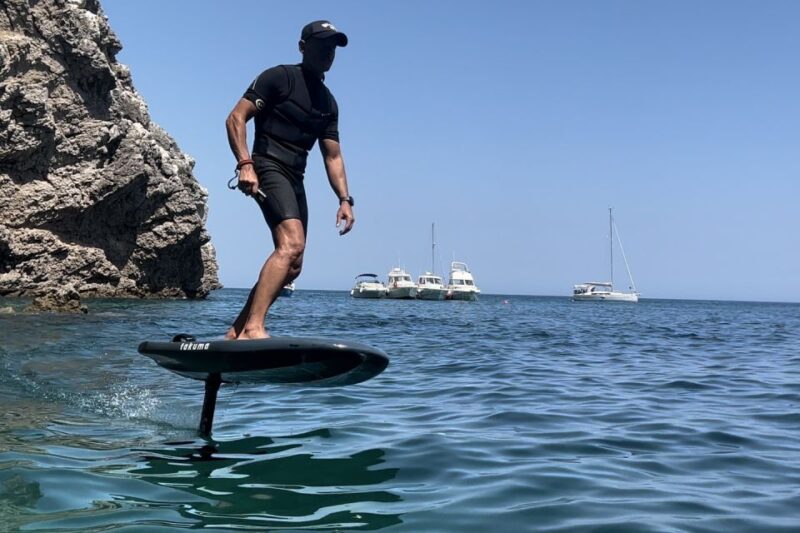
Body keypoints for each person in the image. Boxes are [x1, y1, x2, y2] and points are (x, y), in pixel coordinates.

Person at [224, 20, 355, 340]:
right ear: (303, 47)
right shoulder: (279, 77)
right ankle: (254, 327)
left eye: (333, 48)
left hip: (296, 177)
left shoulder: (328, 102)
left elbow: (333, 156)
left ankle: (236, 332)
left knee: (294, 264)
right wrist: (245, 164)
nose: (328, 53)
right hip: (267, 165)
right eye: (322, 45)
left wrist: (344, 199)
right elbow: (235, 118)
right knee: (291, 244)